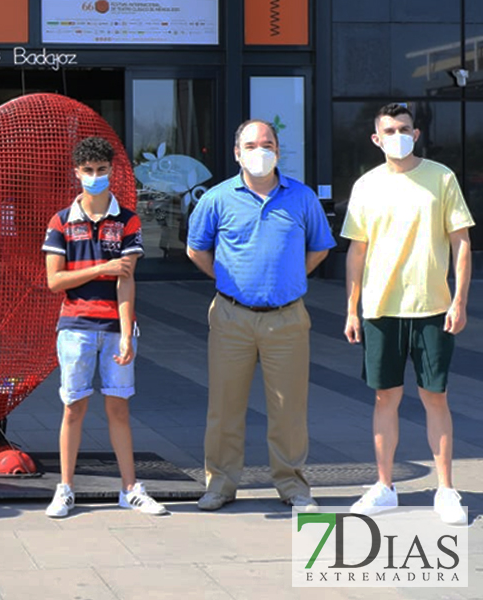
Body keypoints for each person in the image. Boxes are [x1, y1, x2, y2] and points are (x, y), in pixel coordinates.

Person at [186, 120, 335, 512]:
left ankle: (293, 487)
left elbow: (320, 247)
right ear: (237, 153)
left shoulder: (301, 198)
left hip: (287, 319)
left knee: (289, 409)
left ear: (279, 151)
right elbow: (195, 249)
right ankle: (220, 484)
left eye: (267, 144)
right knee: (224, 406)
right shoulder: (217, 199)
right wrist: (226, 279)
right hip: (231, 317)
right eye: (250, 145)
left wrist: (291, 276)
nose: (259, 151)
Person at [342, 103, 474, 525]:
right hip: (381, 308)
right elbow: (356, 251)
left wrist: (460, 300)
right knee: (386, 397)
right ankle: (384, 486)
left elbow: (461, 242)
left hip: (432, 307)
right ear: (376, 139)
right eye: (389, 130)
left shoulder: (442, 178)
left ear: (416, 134)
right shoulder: (366, 186)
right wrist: (352, 309)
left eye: (404, 128)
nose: (397, 135)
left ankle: (447, 489)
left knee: (436, 397)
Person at [41, 136, 168, 518]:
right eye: (88, 171)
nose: (95, 177)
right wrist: (101, 268)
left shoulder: (127, 219)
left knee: (119, 410)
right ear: (77, 173)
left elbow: (126, 281)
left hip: (115, 327)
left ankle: (130, 489)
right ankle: (65, 489)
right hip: (75, 325)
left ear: (112, 171)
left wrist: (128, 332)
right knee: (73, 409)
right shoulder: (61, 221)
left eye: (101, 170)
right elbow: (54, 281)